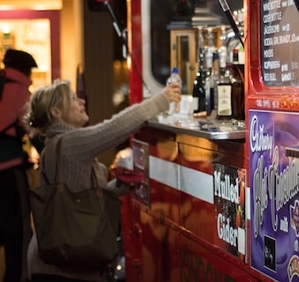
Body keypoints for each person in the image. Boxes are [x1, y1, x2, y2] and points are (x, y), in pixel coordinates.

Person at [25, 78, 181, 281]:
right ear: (56, 112)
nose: (81, 101)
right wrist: (162, 100)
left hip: (52, 258)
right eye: (72, 98)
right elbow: (115, 128)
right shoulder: (70, 143)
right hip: (65, 266)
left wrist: (118, 186)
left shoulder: (56, 145)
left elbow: (80, 197)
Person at [0, 49, 38, 282]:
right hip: (9, 171)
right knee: (19, 233)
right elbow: (34, 131)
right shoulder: (20, 92)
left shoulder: (1, 85)